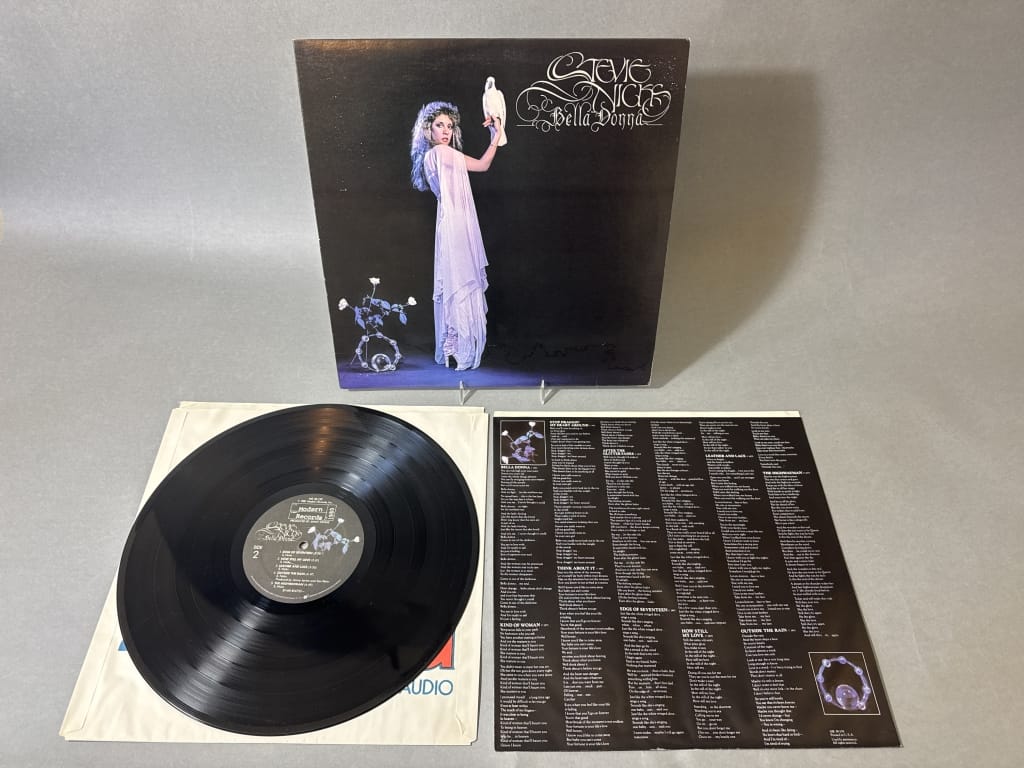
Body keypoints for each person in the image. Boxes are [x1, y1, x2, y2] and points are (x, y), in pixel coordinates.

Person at [410, 101, 502, 371]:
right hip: (457, 225)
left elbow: (482, 166)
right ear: (428, 129)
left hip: (448, 224)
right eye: (440, 125)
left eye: (449, 126)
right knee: (462, 282)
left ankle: (453, 346)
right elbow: (483, 165)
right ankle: (460, 348)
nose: (446, 131)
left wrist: (495, 135)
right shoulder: (442, 152)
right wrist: (497, 135)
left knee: (454, 283)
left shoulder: (431, 157)